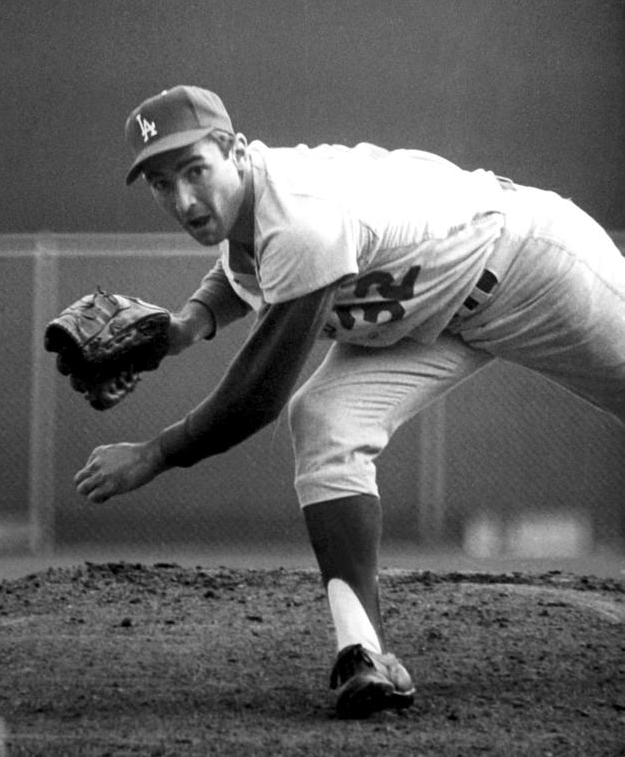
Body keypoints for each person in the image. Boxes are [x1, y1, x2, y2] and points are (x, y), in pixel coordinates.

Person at [74, 84, 625, 719]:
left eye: (195, 170)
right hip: (427, 318)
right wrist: (183, 328)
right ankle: (363, 652)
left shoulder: (301, 215)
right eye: (162, 183)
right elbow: (241, 271)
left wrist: (153, 454)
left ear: (234, 150)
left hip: (530, 263)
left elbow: (257, 394)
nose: (184, 199)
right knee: (326, 419)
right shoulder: (249, 214)